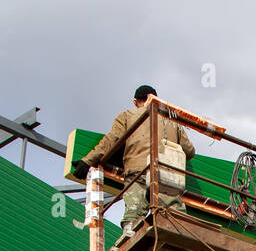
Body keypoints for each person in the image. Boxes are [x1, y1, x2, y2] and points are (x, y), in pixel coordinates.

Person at [71, 85, 195, 234]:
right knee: (174, 215)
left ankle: (129, 237)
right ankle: (182, 239)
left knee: (134, 212)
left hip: (138, 171)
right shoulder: (172, 120)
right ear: (155, 99)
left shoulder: (128, 116)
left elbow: (111, 140)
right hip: (168, 174)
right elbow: (189, 151)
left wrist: (88, 161)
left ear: (135, 102)